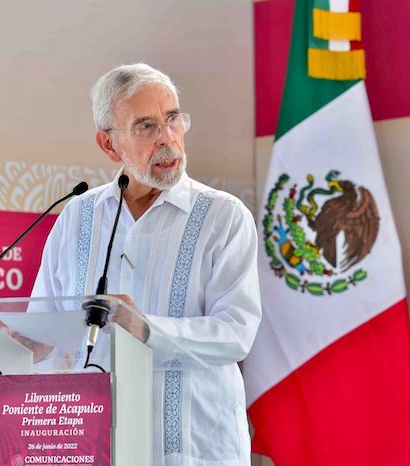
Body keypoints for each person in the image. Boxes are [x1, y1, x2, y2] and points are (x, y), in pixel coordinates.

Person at [31, 63, 262, 466]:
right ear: (109, 145)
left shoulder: (223, 217)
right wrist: (17, 337)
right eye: (146, 127)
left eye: (172, 119)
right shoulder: (77, 216)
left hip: (194, 451)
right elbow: (42, 326)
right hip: (94, 451)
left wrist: (148, 329)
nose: (168, 140)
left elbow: (235, 333)